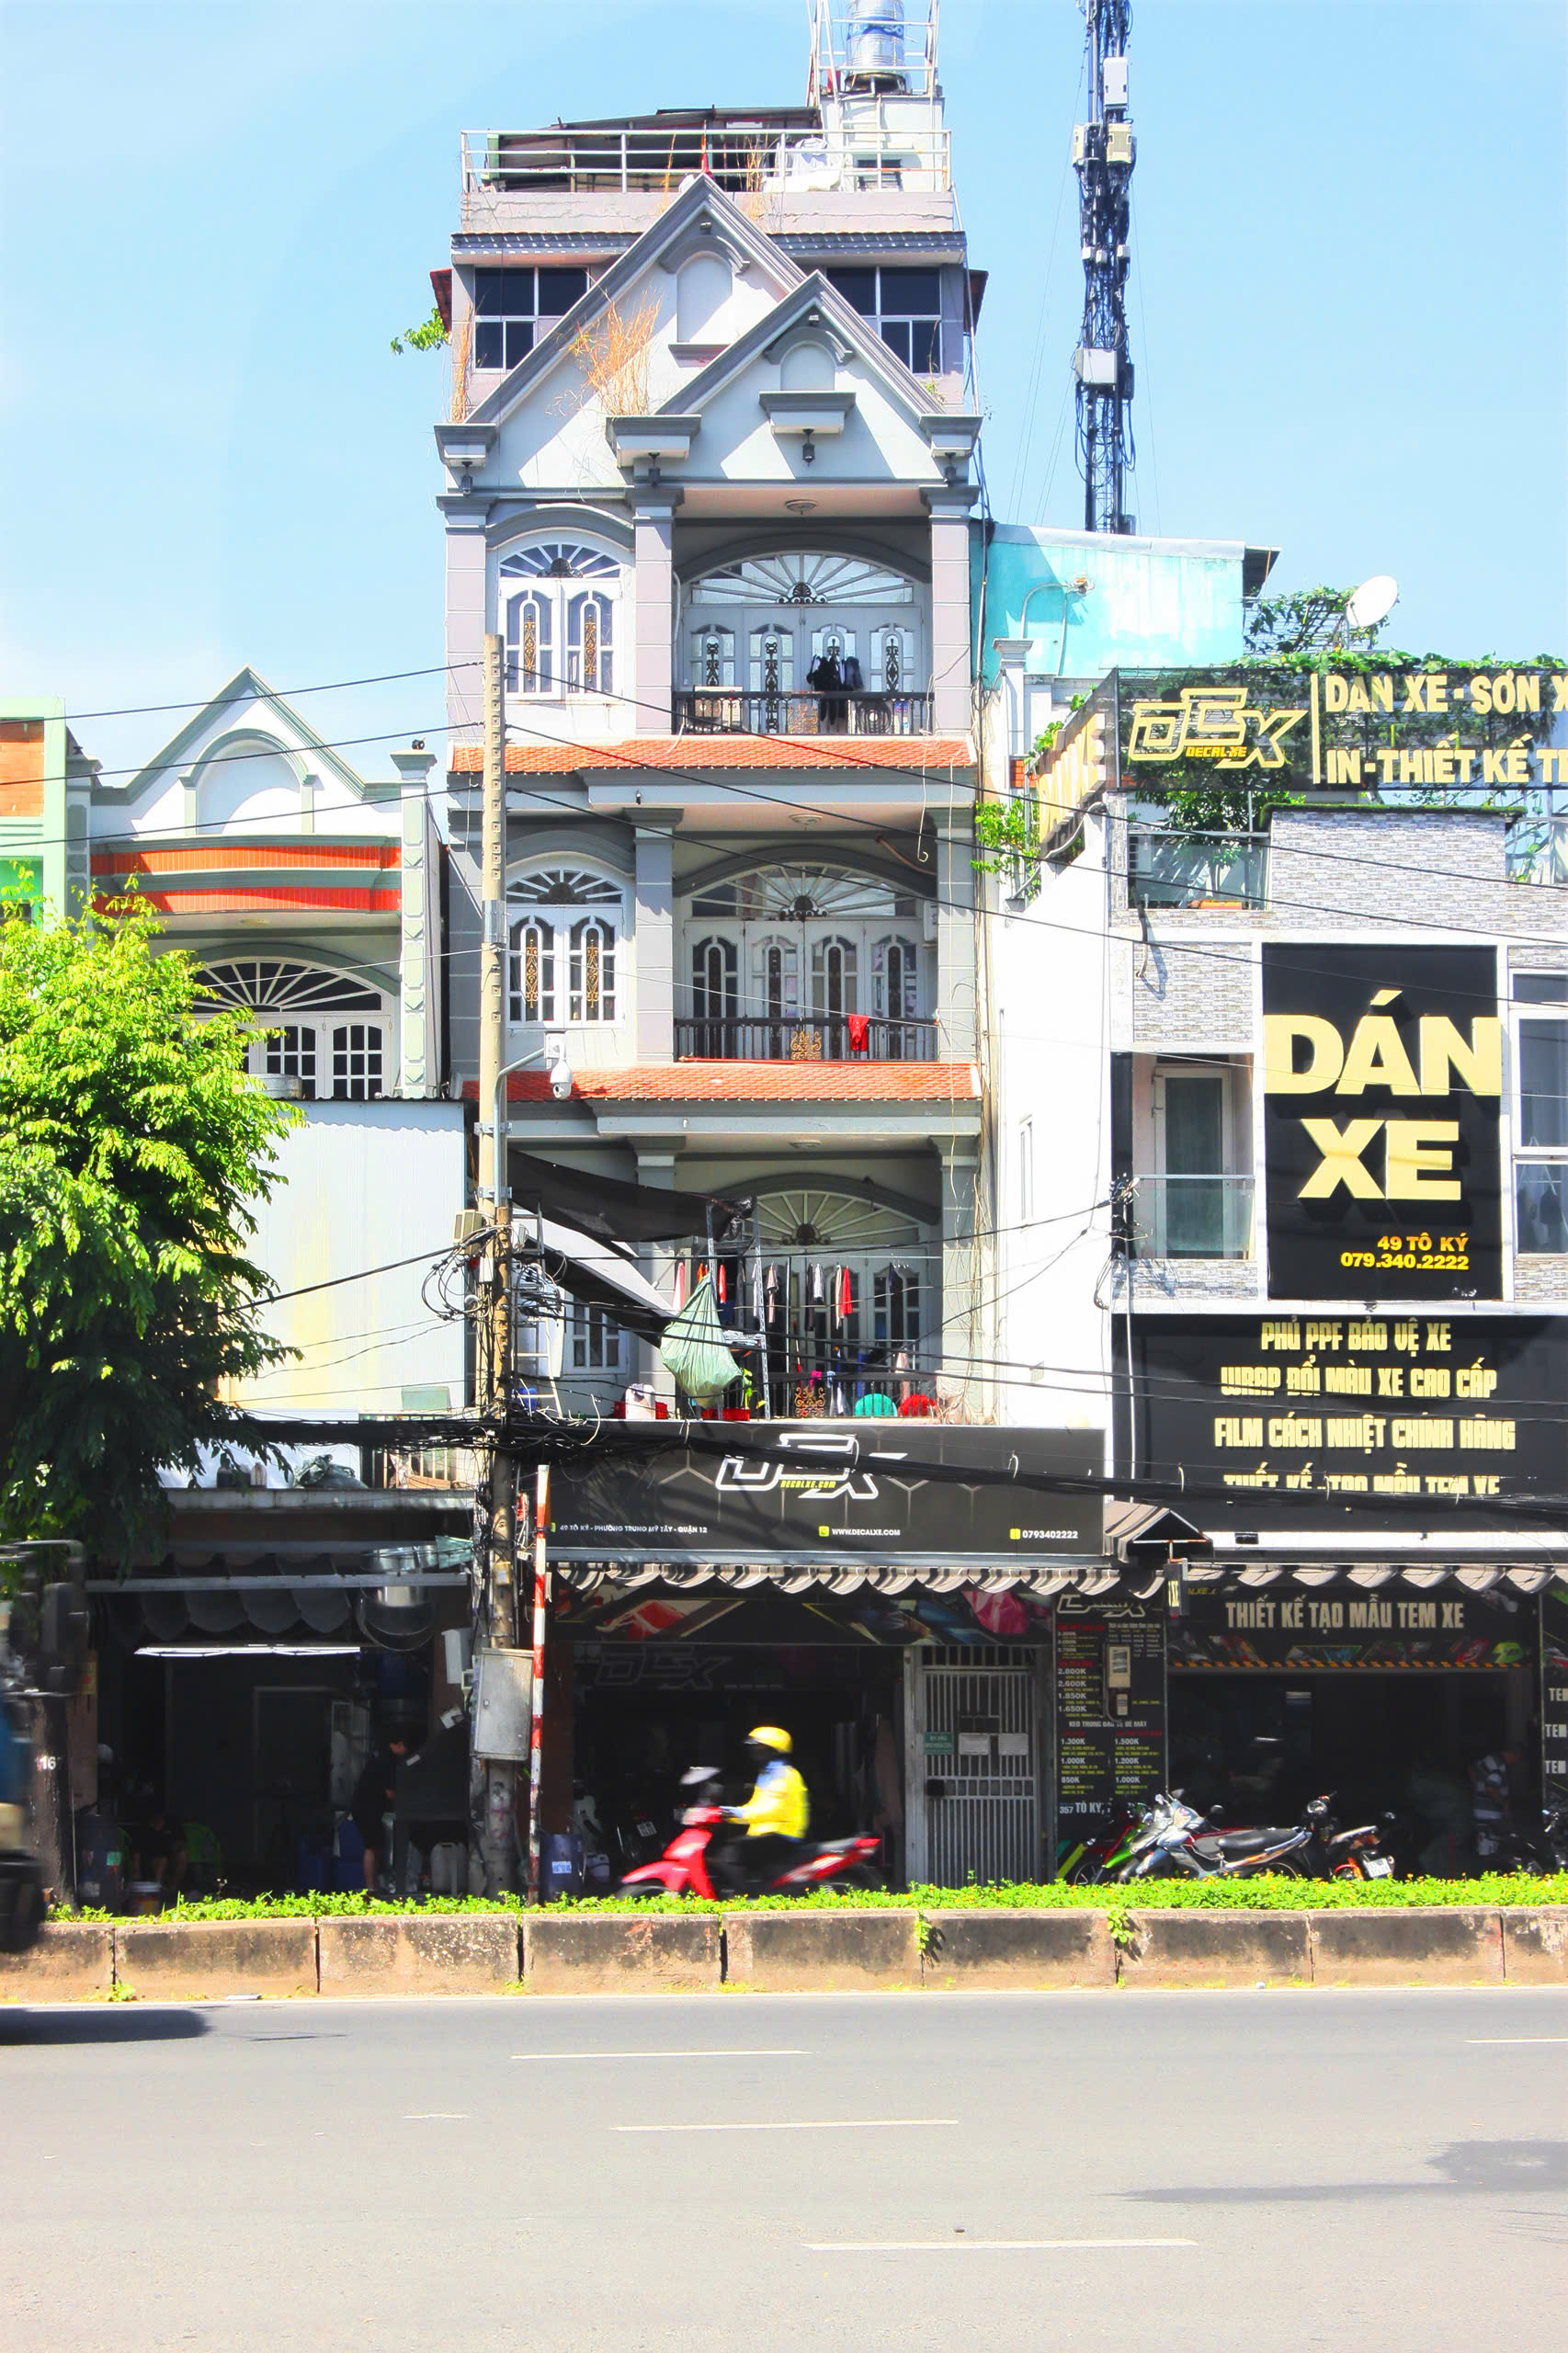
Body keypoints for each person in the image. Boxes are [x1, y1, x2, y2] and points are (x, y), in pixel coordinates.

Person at [722, 1725, 810, 1893]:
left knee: (732, 1851)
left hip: (782, 1835)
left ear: (773, 1751)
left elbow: (773, 1810)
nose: (754, 1754)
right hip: (766, 1835)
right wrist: (725, 1812)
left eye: (759, 1749)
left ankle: (747, 1895)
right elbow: (754, 1806)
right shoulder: (767, 1775)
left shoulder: (784, 1775)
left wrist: (735, 1813)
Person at [351, 1730, 409, 1893]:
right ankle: (371, 1887)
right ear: (399, 1745)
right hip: (366, 1808)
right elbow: (390, 1793)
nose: (405, 1753)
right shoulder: (387, 1760)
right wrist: (408, 1797)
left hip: (367, 1807)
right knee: (371, 1846)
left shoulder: (381, 1755)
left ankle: (375, 1884)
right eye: (405, 1748)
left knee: (376, 1845)